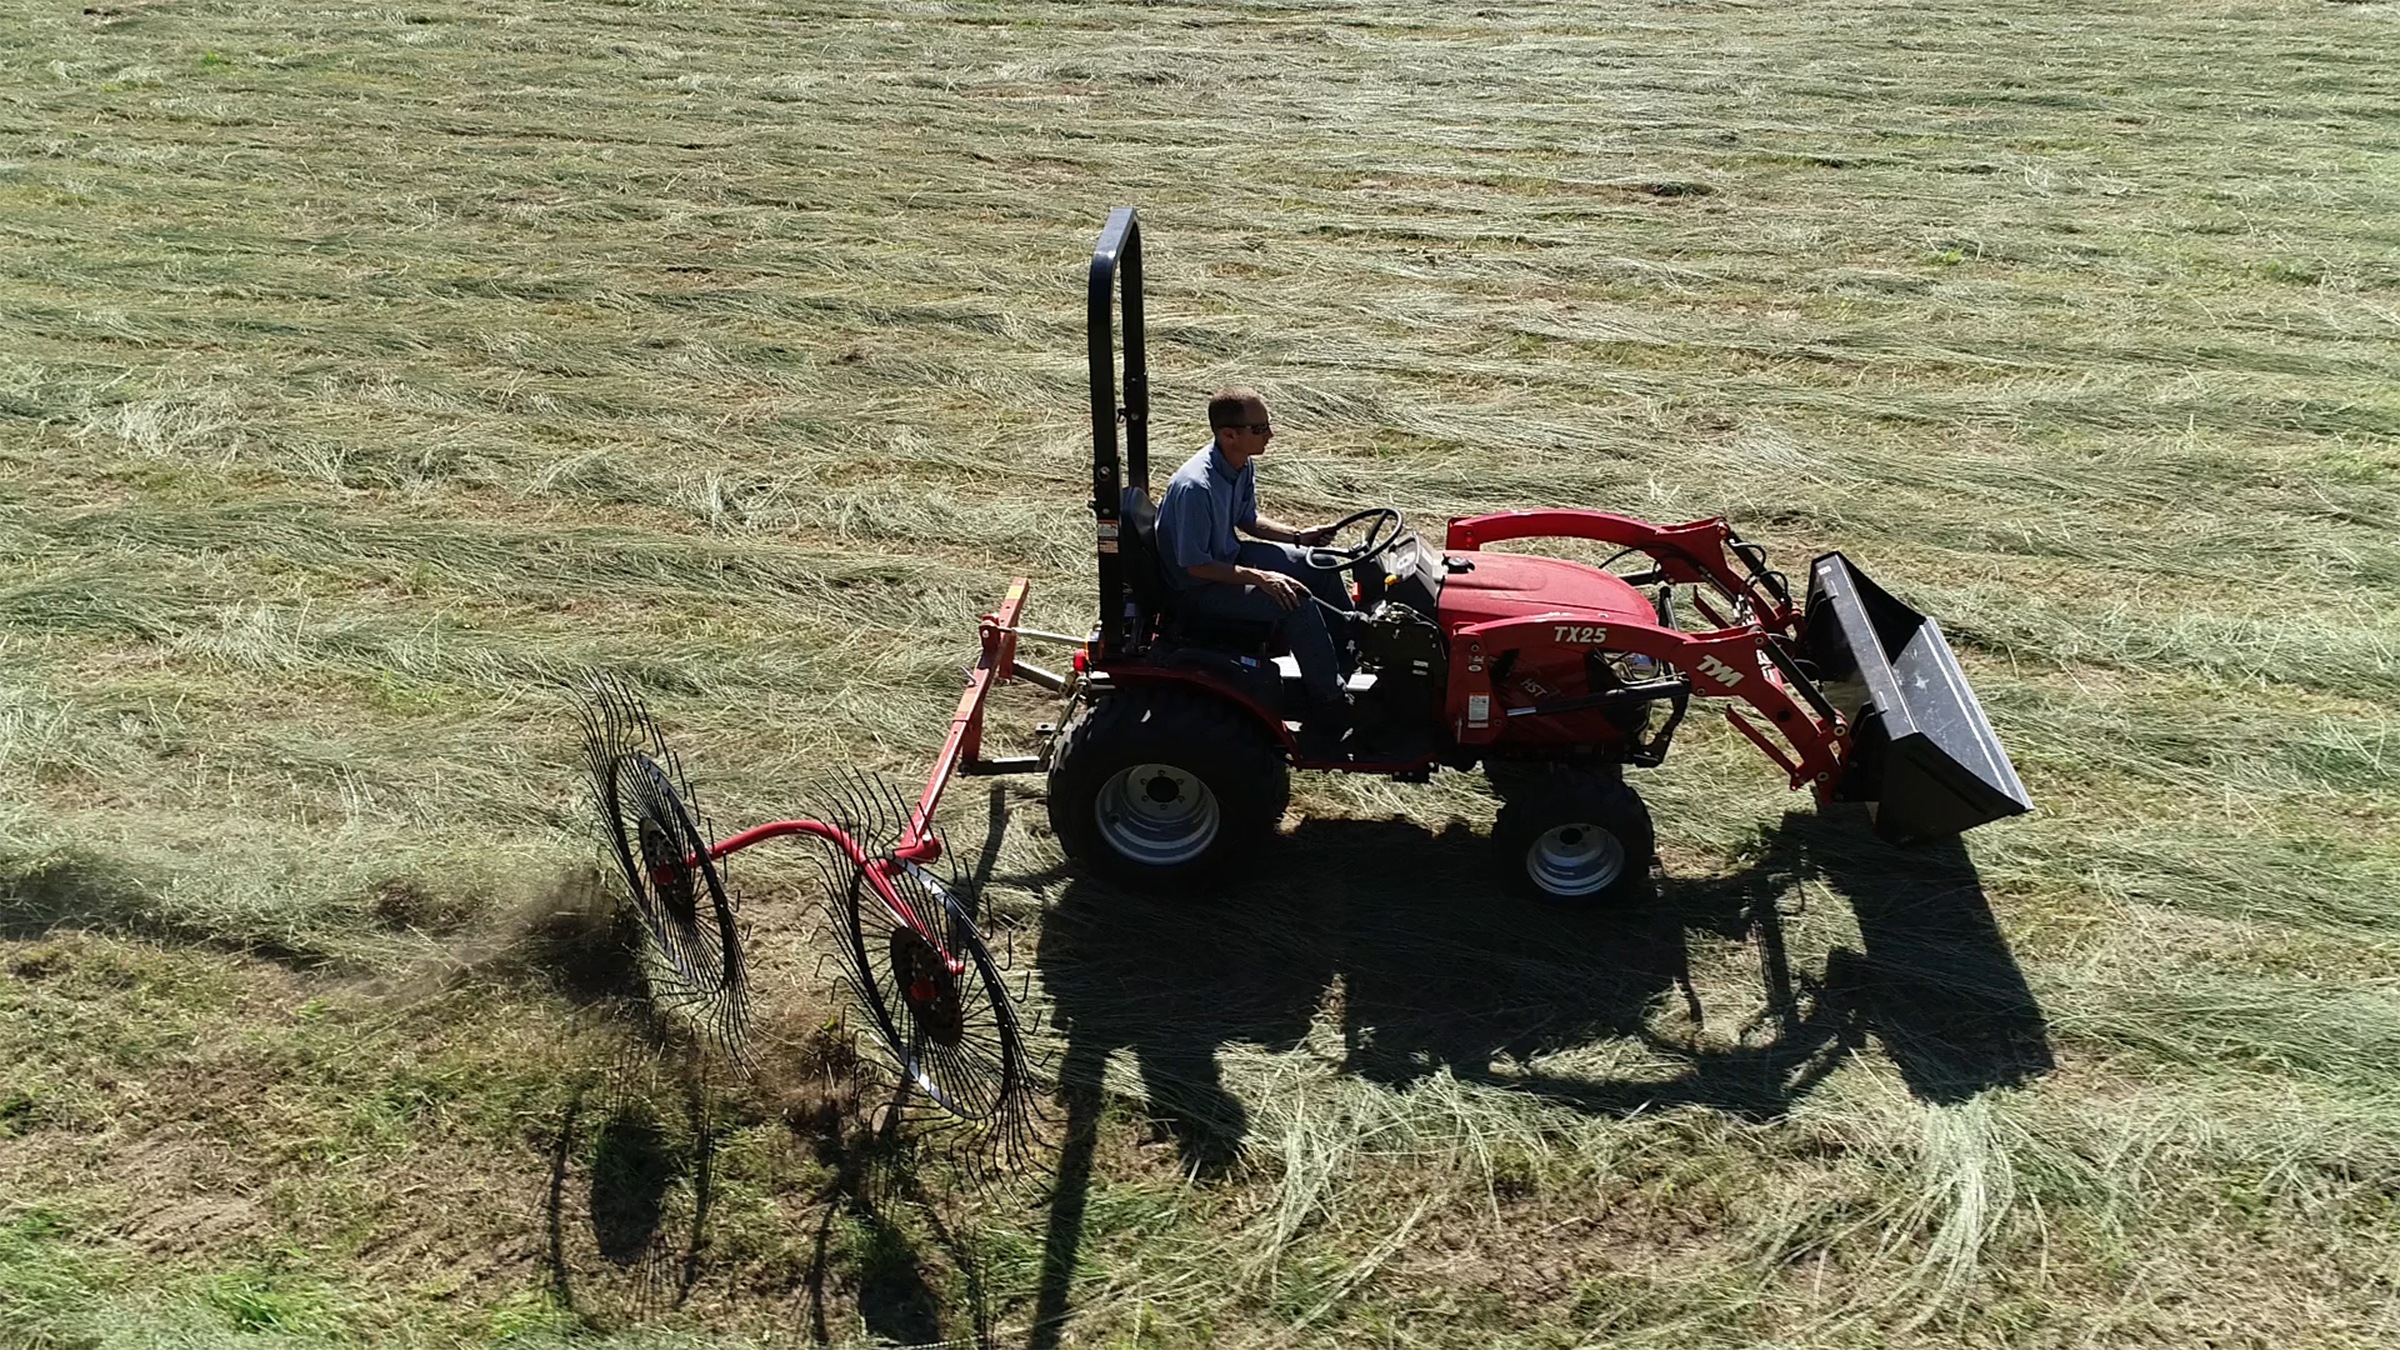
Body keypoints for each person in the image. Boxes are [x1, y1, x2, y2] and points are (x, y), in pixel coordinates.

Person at [1155, 387, 1357, 747]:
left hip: (1228, 560)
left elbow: (1247, 520)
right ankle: (1329, 703)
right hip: (1199, 589)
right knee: (1293, 600)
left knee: (1322, 563)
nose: (1270, 435)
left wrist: (1298, 536)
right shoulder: (1196, 487)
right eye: (1260, 429)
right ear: (1228, 435)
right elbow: (1195, 565)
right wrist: (1260, 578)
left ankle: (1348, 654)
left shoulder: (1239, 465)